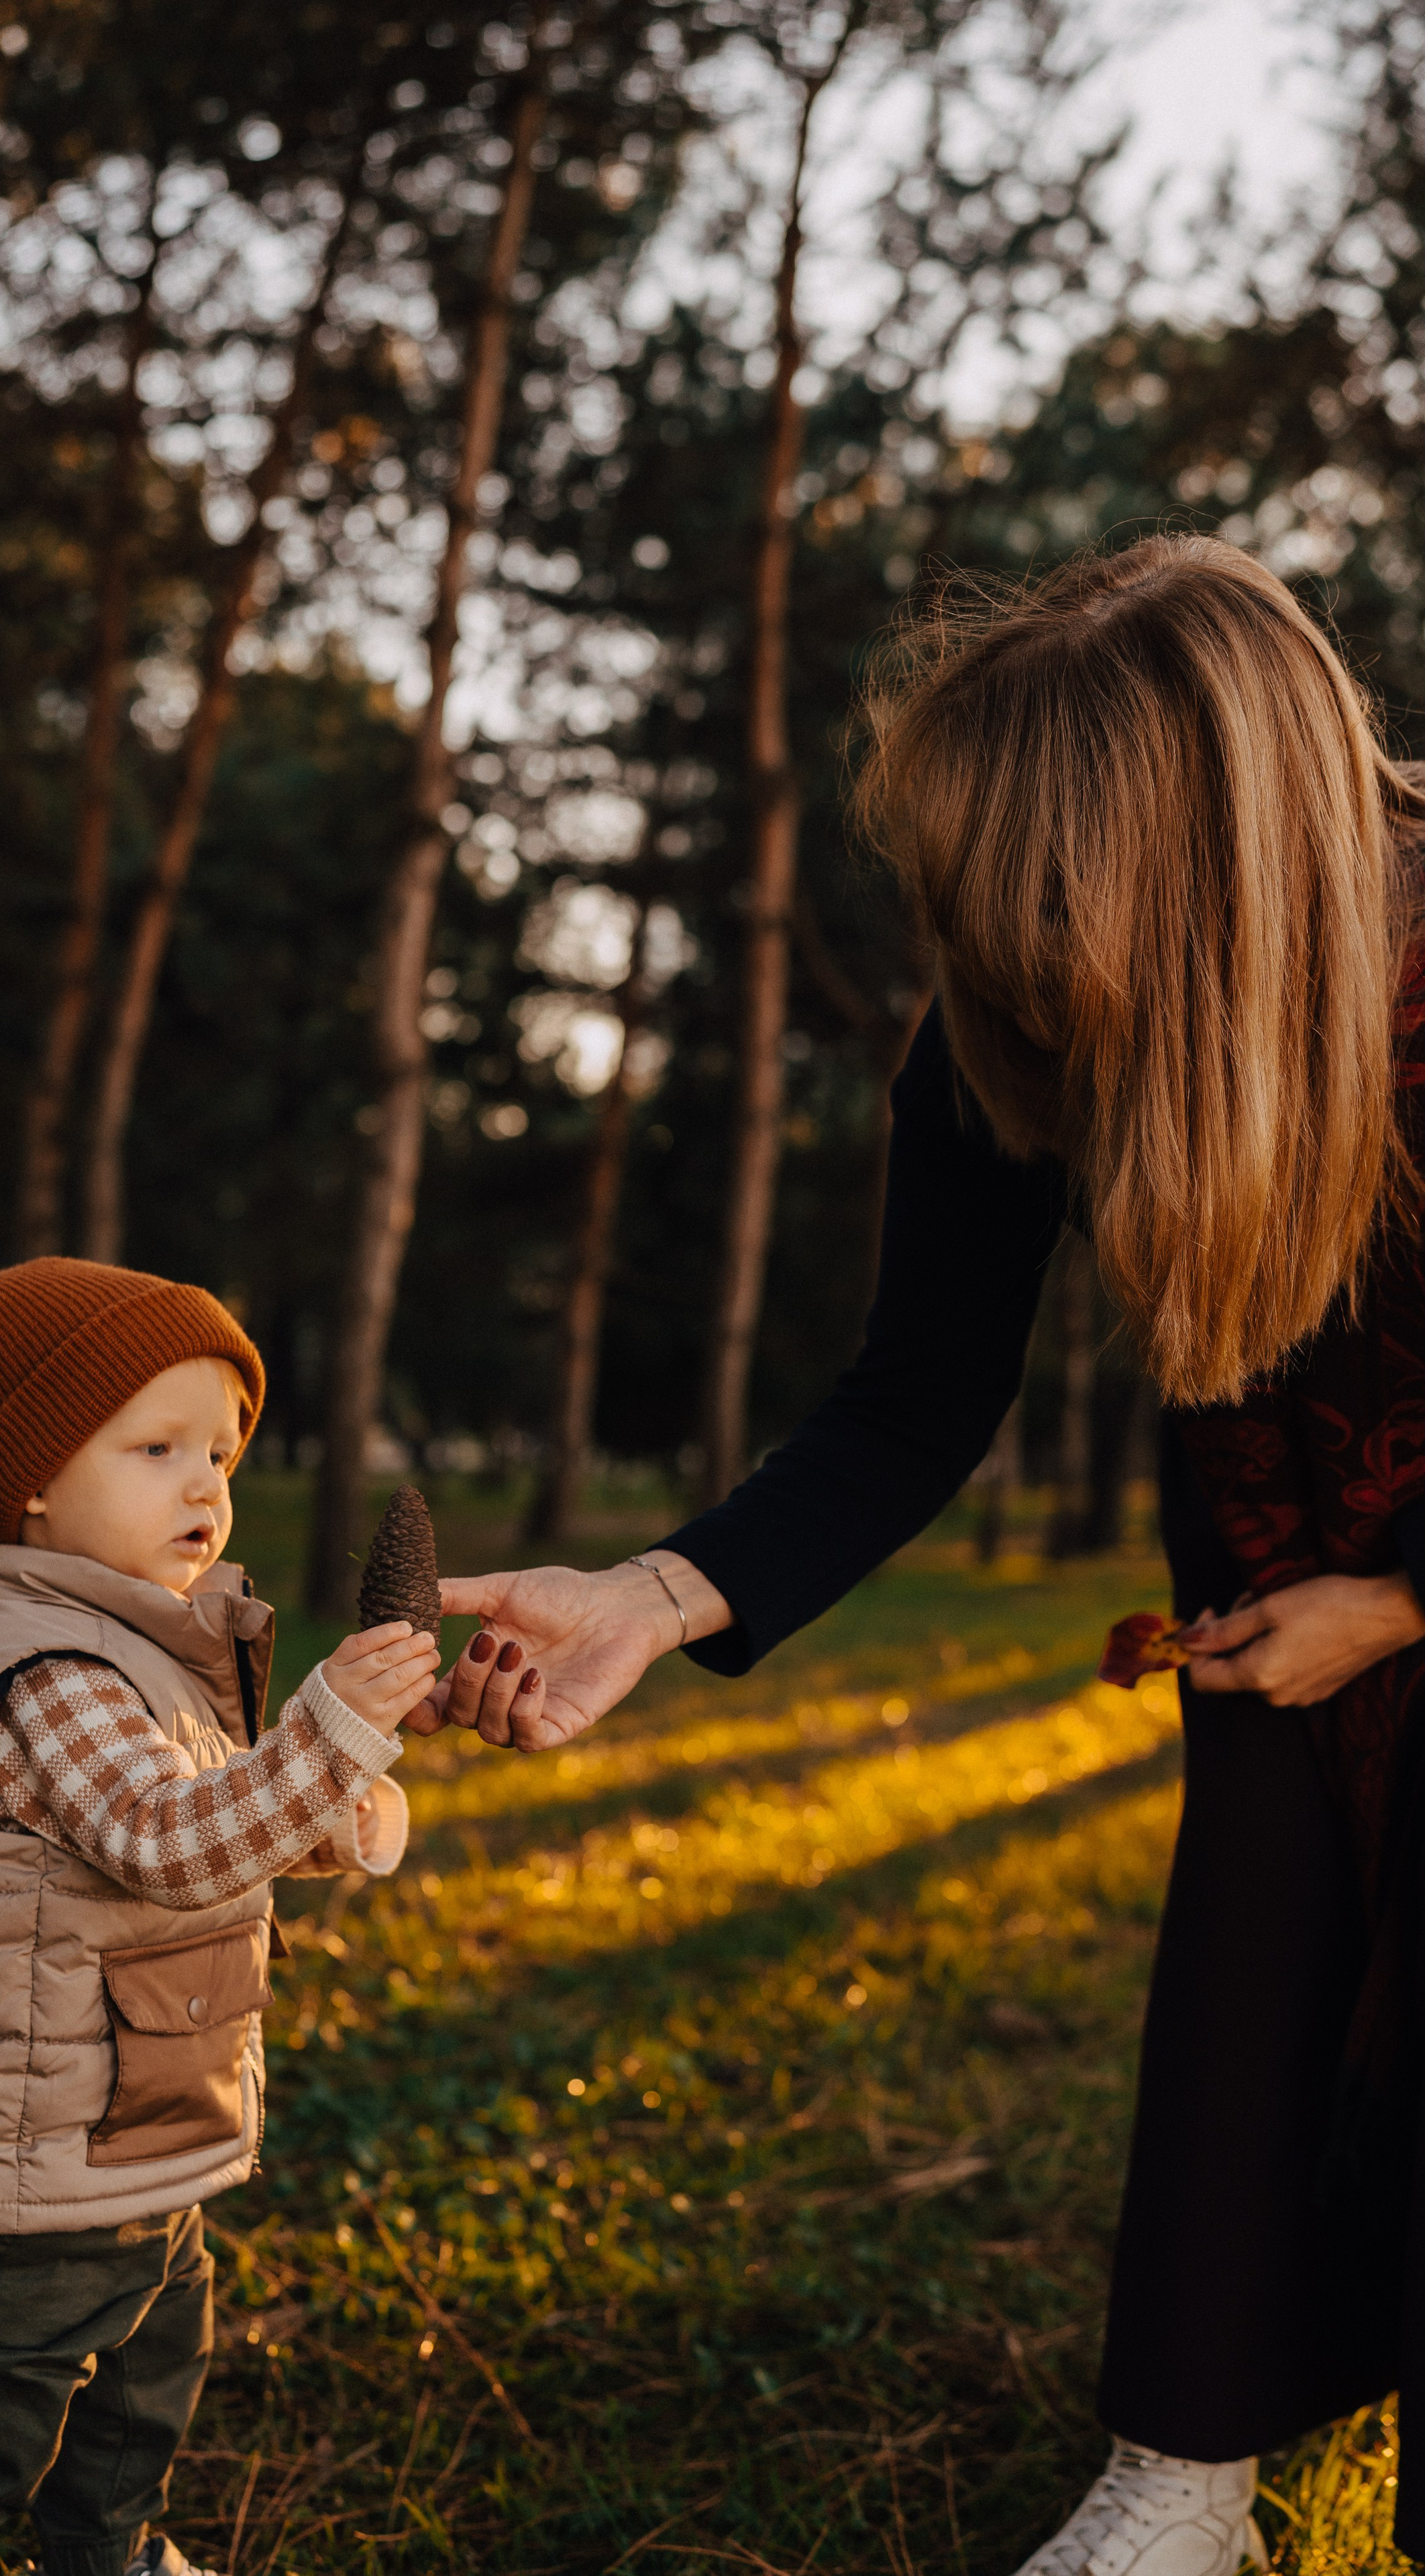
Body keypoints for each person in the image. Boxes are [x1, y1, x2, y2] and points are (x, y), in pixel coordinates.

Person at [415, 535, 1425, 2576]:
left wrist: (1407, 1604)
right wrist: (651, 1598)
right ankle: (1182, 2473)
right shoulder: (1021, 1000)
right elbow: (908, 1402)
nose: (1028, 973)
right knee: (1251, 1986)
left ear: (1211, 868)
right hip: (1258, 1570)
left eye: (1067, 917)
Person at [0, 1256, 441, 2576]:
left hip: (115, 2138)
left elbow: (208, 1802)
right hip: (16, 2179)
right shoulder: (46, 1675)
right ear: (34, 1477)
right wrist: (333, 1730)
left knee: (142, 2381)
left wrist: (345, 1803)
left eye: (218, 1450)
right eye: (155, 1447)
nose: (206, 1484)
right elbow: (170, 1846)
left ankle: (106, 2553)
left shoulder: (136, 1645)